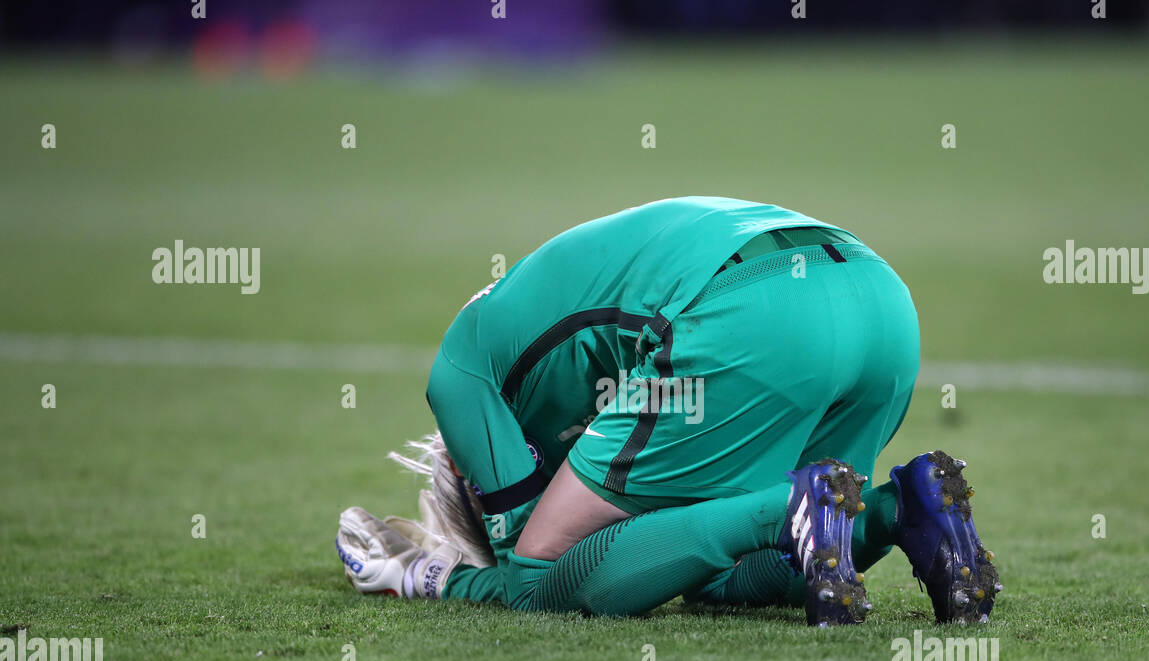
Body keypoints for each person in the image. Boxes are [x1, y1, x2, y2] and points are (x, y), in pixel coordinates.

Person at [336, 196, 1001, 624]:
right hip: (876, 294)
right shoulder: (525, 313)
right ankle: (905, 508)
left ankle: (792, 502)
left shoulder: (462, 376)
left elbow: (526, 581)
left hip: (752, 310)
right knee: (726, 570)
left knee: (546, 564)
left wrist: (427, 576)